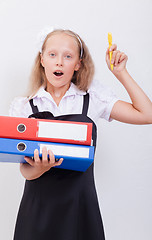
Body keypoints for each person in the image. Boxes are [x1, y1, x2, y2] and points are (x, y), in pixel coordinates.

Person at [9, 28, 152, 240]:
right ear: (42, 60)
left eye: (68, 56)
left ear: (77, 64)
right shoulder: (24, 107)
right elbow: (25, 171)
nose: (59, 62)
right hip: (37, 213)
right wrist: (40, 168)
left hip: (80, 210)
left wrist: (120, 72)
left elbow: (146, 114)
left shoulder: (92, 99)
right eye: (52, 54)